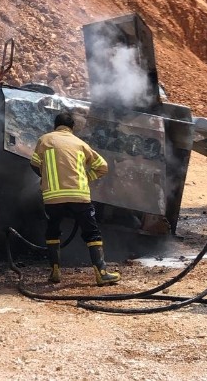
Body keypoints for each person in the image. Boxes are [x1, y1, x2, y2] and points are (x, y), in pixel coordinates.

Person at [30, 111, 120, 285]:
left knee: (53, 230)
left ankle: (55, 271)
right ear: (72, 128)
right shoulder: (80, 143)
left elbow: (34, 164)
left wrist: (46, 177)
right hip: (79, 195)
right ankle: (101, 273)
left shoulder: (45, 140)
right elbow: (103, 167)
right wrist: (86, 178)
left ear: (55, 126)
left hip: (52, 197)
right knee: (91, 232)